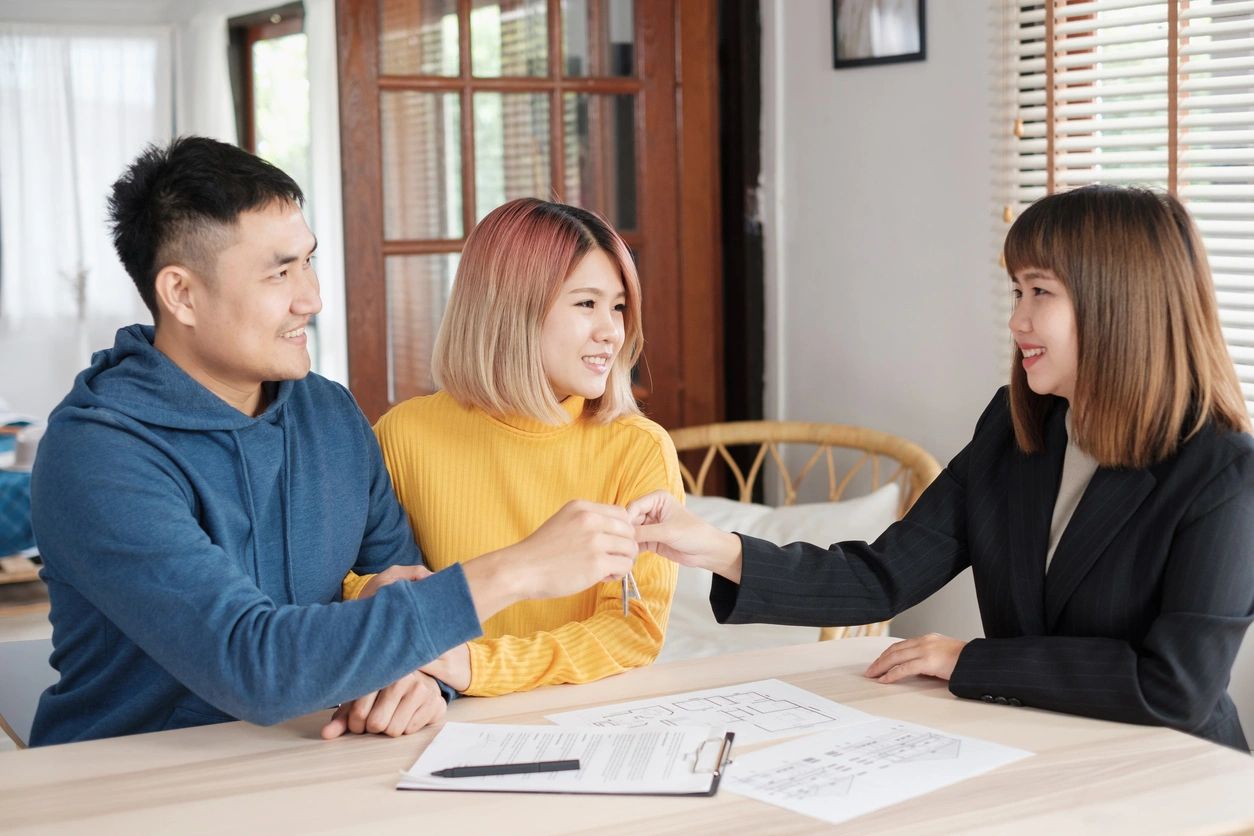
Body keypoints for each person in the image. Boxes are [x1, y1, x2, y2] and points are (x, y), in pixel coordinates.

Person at [28, 137, 639, 746]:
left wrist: (423, 681)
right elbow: (255, 665)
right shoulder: (97, 454)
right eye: (280, 272)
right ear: (182, 294)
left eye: (308, 261)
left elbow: (405, 592)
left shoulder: (329, 414)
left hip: (314, 759)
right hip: (130, 781)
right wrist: (518, 570)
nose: (312, 299)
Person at [628, 185, 1254, 750]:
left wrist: (968, 660)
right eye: (1017, 291)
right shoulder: (1013, 429)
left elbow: (1176, 687)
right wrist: (715, 548)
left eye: (1041, 292)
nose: (1017, 320)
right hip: (1034, 742)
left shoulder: (1223, 474)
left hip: (1176, 766)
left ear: (1118, 303)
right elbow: (880, 578)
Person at [345, 198, 682, 697]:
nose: (612, 332)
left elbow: (632, 631)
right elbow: (351, 586)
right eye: (586, 303)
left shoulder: (638, 449)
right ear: (509, 307)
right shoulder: (404, 435)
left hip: (582, 711)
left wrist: (477, 668)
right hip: (432, 715)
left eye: (618, 307)